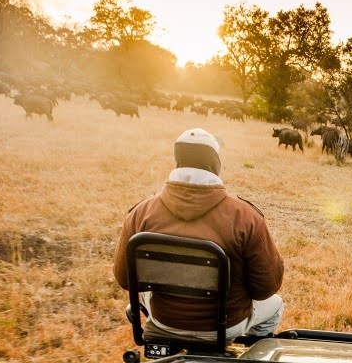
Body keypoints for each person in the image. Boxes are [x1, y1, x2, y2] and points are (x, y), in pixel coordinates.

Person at [113, 128, 285, 340]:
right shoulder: (246, 217)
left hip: (164, 322)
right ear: (216, 165)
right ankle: (251, 357)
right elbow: (265, 289)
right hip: (225, 328)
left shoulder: (141, 213)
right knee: (275, 304)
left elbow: (124, 280)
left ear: (177, 161)